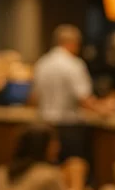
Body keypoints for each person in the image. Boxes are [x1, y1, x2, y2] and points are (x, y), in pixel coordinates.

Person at [33, 25, 107, 164]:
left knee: (49, 170)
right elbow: (84, 99)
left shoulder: (42, 63)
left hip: (45, 127)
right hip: (69, 129)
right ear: (73, 43)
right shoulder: (74, 64)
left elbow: (34, 97)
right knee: (74, 170)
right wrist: (103, 110)